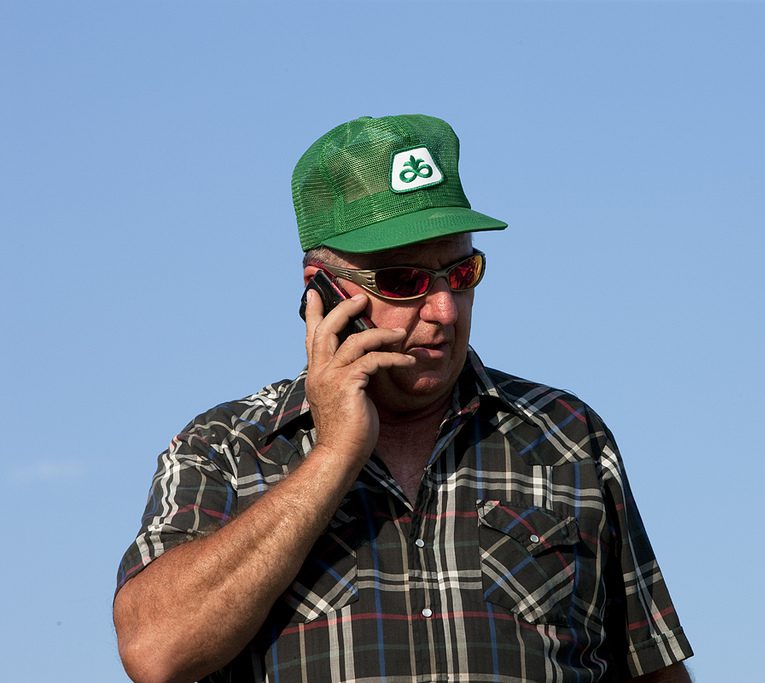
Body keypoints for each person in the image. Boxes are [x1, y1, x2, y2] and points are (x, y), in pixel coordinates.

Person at [113, 114, 693, 683]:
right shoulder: (227, 449)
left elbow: (652, 668)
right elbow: (156, 652)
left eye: (461, 273)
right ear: (320, 287)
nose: (443, 311)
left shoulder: (566, 436)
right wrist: (335, 454)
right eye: (404, 281)